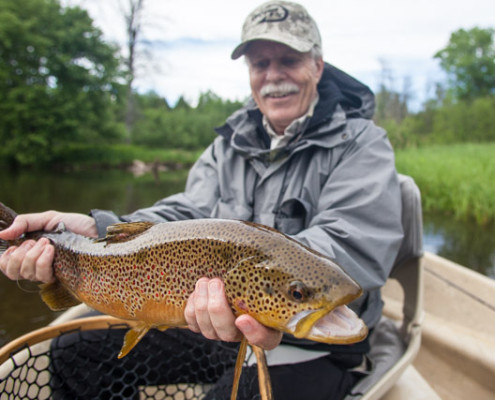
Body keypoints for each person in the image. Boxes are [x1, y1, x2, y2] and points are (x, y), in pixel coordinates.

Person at [0, 1, 403, 399]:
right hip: (214, 323)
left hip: (311, 345)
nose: (273, 76)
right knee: (74, 353)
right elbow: (185, 213)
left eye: (288, 60)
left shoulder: (363, 144)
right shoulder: (227, 146)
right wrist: (101, 229)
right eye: (260, 64)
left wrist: (282, 294)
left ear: (317, 66)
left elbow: (354, 243)